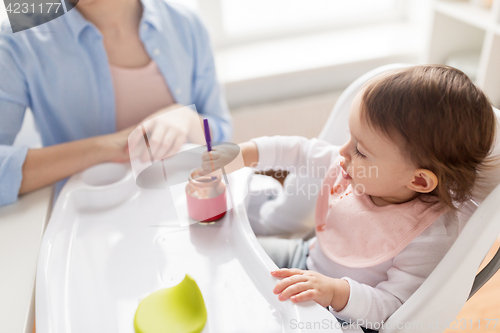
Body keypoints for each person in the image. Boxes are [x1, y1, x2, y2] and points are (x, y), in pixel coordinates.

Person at [200, 65, 499, 331]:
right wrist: (245, 153)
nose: (342, 152)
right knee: (225, 252)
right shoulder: (353, 166)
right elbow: (300, 151)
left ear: (419, 180)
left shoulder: (428, 235)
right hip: (302, 258)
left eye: (361, 149)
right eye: (351, 138)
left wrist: (336, 292)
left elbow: (394, 308)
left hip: (344, 316)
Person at [0, 0, 232, 206]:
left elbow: (223, 140)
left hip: (192, 212)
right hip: (91, 231)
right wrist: (107, 148)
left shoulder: (184, 23)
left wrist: (187, 119)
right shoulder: (18, 37)